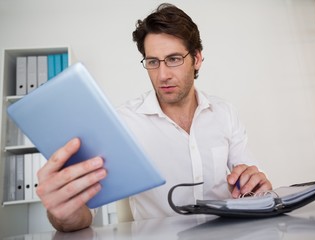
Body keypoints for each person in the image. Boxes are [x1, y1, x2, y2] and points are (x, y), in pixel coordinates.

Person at [36, 3, 272, 232]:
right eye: (152, 62)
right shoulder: (124, 122)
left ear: (197, 58)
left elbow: (251, 186)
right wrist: (64, 214)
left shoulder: (225, 113)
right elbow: (84, 213)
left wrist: (256, 187)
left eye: (173, 59)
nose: (163, 75)